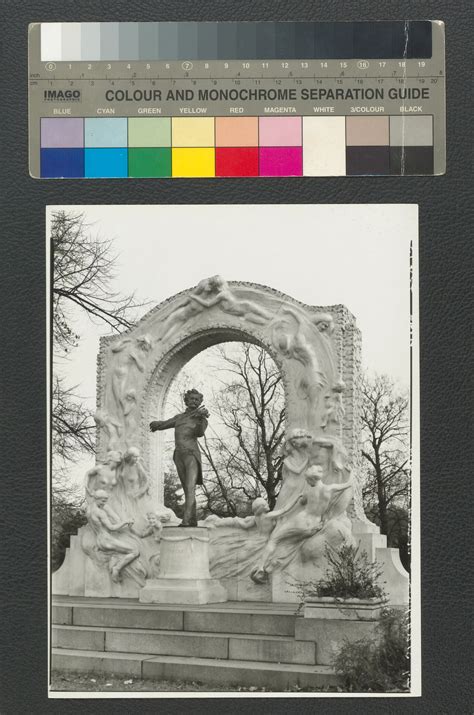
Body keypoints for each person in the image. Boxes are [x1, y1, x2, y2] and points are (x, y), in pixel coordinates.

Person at [150, 388, 209, 527]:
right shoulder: (179, 418)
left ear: (200, 402)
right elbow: (165, 424)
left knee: (190, 487)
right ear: (186, 401)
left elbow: (200, 433)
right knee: (186, 488)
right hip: (179, 455)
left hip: (191, 455)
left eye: (197, 399)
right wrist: (157, 425)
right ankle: (192, 519)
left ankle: (187, 520)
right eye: (191, 399)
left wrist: (201, 418)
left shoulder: (201, 418)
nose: (194, 401)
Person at [85, 489, 138, 583]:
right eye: (103, 500)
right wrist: (125, 521)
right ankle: (116, 569)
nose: (104, 503)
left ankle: (115, 559)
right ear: (97, 498)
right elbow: (112, 528)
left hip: (99, 540)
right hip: (106, 540)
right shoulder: (100, 512)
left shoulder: (89, 509)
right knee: (134, 551)